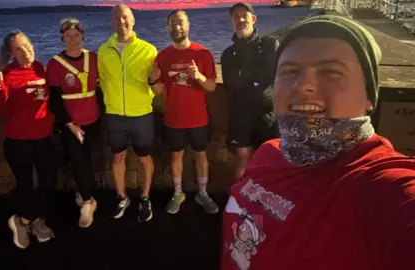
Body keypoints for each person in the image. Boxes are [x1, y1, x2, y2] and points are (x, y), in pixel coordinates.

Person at [220, 15, 415, 270]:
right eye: (289, 71)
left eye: (331, 72)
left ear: (369, 95)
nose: (303, 86)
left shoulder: (384, 189)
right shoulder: (268, 152)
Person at [0, 30, 57, 249]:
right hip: (18, 141)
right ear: (11, 53)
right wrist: (0, 92)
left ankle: (23, 220)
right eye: (18, 49)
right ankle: (37, 222)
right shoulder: (7, 75)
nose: (25, 51)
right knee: (25, 184)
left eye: (27, 45)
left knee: (48, 180)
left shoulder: (39, 67)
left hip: (43, 137)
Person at [150, 10, 219, 215]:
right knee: (176, 155)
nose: (177, 27)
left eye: (180, 23)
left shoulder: (203, 53)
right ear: (167, 28)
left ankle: (203, 193)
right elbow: (158, 91)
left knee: (201, 154)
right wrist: (153, 80)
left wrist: (198, 75)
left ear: (188, 26)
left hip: (198, 118)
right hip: (173, 119)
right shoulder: (162, 57)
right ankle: (178, 193)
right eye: (172, 23)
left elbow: (212, 87)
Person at [98, 4, 158, 222]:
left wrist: (153, 83)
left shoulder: (149, 50)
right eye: (116, 18)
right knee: (118, 157)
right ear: (112, 22)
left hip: (141, 114)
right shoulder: (104, 51)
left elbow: (156, 85)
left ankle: (145, 197)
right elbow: (103, 81)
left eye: (125, 17)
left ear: (133, 20)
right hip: (115, 115)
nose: (121, 22)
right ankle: (122, 197)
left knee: (144, 159)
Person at [46, 18, 100, 228]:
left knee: (86, 159)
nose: (73, 39)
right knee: (76, 159)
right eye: (68, 36)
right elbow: (54, 98)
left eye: (77, 35)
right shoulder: (55, 65)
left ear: (83, 37)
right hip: (71, 124)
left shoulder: (93, 58)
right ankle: (87, 203)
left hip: (93, 119)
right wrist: (69, 123)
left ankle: (82, 190)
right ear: (62, 38)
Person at [221, 2, 279, 179]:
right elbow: (230, 83)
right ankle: (239, 201)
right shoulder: (228, 54)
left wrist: (245, 77)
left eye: (244, 15)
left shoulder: (270, 44)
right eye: (236, 16)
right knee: (242, 158)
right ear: (232, 21)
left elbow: (270, 76)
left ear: (253, 19)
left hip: (267, 113)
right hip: (241, 113)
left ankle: (267, 202)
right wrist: (254, 78)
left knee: (270, 160)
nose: (240, 19)